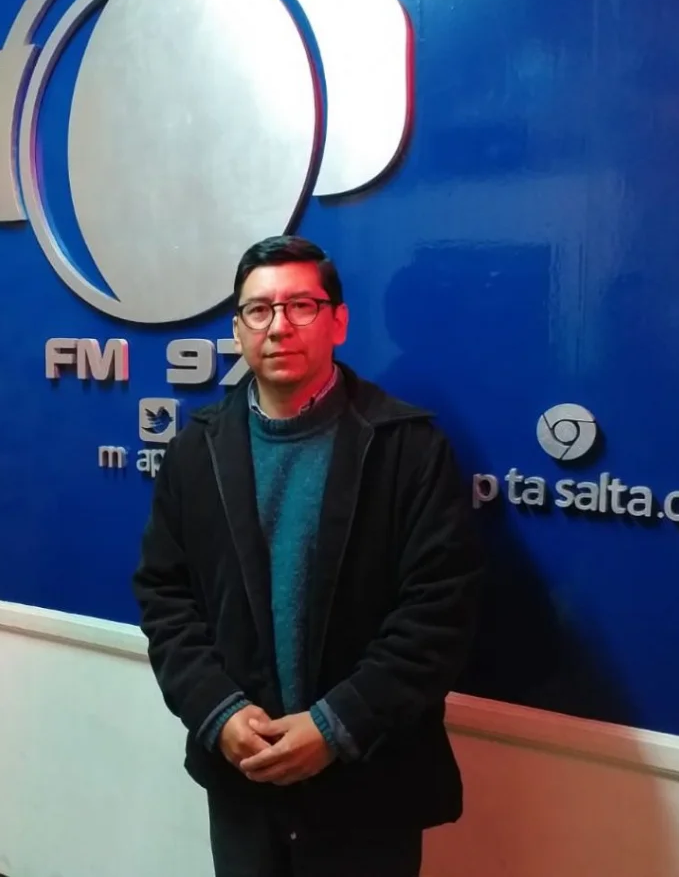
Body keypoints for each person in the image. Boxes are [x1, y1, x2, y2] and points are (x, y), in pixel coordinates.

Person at [132, 236, 484, 877]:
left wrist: (335, 725)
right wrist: (218, 712)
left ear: (338, 322)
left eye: (301, 306)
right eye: (258, 310)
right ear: (238, 330)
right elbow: (165, 598)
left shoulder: (407, 449)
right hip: (244, 775)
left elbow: (438, 614)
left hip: (368, 779)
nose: (278, 327)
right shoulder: (195, 452)